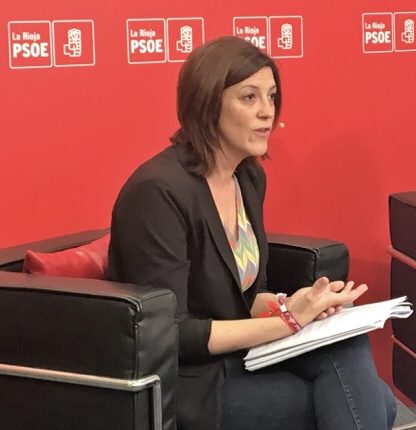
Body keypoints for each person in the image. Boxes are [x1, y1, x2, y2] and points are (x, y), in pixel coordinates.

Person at [107, 36, 396, 430]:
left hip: (242, 354)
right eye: (249, 97)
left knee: (350, 347)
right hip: (191, 379)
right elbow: (171, 332)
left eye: (272, 97)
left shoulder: (247, 177)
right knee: (372, 404)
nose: (267, 112)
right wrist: (288, 322)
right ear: (207, 103)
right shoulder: (157, 192)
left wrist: (299, 304)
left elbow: (247, 297)